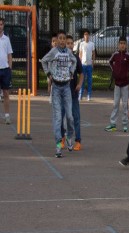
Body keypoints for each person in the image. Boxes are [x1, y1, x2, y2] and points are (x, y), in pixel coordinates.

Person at [40, 30, 76, 158]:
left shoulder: (69, 52)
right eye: (59, 38)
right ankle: (58, 146)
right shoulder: (54, 51)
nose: (61, 41)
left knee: (70, 117)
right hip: (56, 87)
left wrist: (71, 72)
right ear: (57, 40)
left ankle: (69, 137)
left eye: (63, 39)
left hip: (66, 87)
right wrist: (49, 74)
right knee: (58, 117)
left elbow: (74, 61)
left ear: (66, 41)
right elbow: (43, 61)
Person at [106, 37, 129, 132]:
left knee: (125, 104)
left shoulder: (128, 55)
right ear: (118, 45)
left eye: (124, 43)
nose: (122, 45)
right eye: (121, 43)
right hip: (117, 84)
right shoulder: (115, 55)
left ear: (126, 45)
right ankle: (113, 124)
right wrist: (114, 70)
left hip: (125, 84)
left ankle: (125, 124)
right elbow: (109, 62)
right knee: (115, 103)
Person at [60, 35, 83, 151]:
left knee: (75, 117)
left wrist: (79, 84)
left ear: (73, 45)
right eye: (67, 43)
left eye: (71, 43)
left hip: (73, 94)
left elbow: (81, 73)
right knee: (61, 117)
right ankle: (62, 139)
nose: (69, 45)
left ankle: (78, 141)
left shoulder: (75, 58)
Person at [0, 17, 12, 125]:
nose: (0, 26)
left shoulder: (6, 39)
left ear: (3, 26)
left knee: (6, 93)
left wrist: (10, 68)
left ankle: (7, 115)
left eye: (1, 24)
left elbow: (9, 54)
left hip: (5, 69)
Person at [78, 30, 95, 101]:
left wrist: (93, 62)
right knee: (82, 80)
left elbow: (93, 53)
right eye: (85, 34)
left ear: (89, 36)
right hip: (83, 64)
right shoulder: (82, 44)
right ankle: (80, 95)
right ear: (83, 36)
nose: (86, 36)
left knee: (89, 80)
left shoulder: (92, 44)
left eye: (87, 34)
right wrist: (79, 63)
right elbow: (80, 54)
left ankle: (89, 95)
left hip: (89, 64)